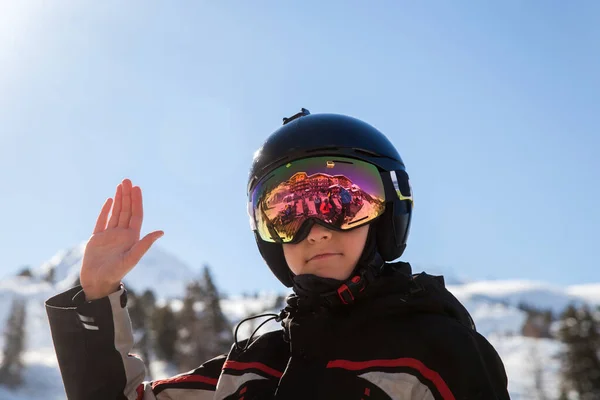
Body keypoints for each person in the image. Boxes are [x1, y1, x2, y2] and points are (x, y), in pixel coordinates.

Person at [45, 108, 511, 399]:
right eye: (288, 214)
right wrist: (97, 293)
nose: (316, 231)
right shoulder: (250, 368)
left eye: (340, 204)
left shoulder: (438, 355)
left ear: (386, 211)